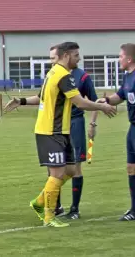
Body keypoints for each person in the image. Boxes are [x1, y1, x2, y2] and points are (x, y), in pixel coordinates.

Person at [6, 41, 115, 227]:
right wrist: (102, 106)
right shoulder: (63, 75)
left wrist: (21, 100)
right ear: (66, 56)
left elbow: (41, 96)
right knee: (56, 174)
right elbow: (80, 103)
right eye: (76, 55)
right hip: (50, 131)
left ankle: (40, 201)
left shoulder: (53, 73)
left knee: (71, 170)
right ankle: (48, 217)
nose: (78, 59)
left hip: (61, 131)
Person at [48, 45, 98, 219]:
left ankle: (74, 209)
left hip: (75, 124)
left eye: (53, 58)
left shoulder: (83, 77)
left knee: (76, 166)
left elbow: (92, 101)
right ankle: (57, 206)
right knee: (53, 167)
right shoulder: (53, 75)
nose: (51, 62)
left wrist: (93, 124)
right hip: (56, 126)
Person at [95, 43, 135, 221]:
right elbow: (119, 96)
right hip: (132, 128)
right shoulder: (128, 77)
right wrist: (105, 101)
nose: (118, 59)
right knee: (131, 167)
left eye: (120, 56)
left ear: (129, 59)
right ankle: (134, 209)